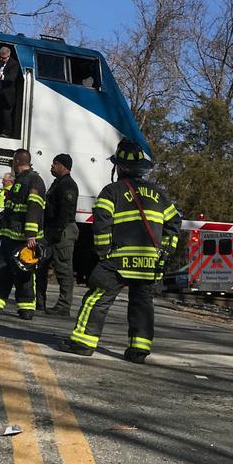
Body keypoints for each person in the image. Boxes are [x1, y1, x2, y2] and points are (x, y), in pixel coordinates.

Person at [64, 139, 180, 363]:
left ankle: (83, 343)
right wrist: (164, 253)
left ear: (118, 167)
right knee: (143, 304)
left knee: (97, 298)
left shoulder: (111, 191)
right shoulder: (159, 194)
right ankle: (138, 350)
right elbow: (174, 222)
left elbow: (102, 222)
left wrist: (103, 251)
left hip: (118, 260)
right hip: (149, 263)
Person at [0, 149, 46, 319]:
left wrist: (31, 235)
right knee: (2, 270)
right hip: (11, 236)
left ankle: (26, 309)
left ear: (17, 161)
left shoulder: (34, 181)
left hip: (24, 239)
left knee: (24, 272)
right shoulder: (21, 180)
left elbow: (34, 209)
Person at [38, 154, 80, 316]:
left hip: (63, 231)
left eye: (55, 164)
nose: (51, 166)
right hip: (52, 230)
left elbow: (65, 213)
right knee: (40, 266)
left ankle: (63, 306)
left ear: (64, 166)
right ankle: (39, 301)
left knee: (63, 268)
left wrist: (54, 234)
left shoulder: (68, 185)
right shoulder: (57, 184)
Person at [0, 47, 22, 137]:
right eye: (0, 57)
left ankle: (7, 132)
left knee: (6, 114)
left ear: (9, 56)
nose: (2, 59)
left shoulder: (14, 64)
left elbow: (12, 78)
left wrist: (0, 76)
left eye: (4, 58)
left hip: (7, 94)